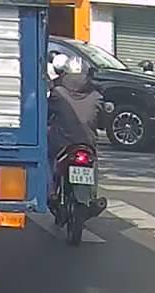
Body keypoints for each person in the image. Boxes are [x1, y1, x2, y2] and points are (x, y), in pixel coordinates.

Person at [47, 65, 106, 200]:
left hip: (62, 144)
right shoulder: (96, 96)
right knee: (93, 162)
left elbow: (47, 114)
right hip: (87, 143)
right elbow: (102, 122)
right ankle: (92, 195)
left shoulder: (58, 93)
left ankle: (49, 190)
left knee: (47, 156)